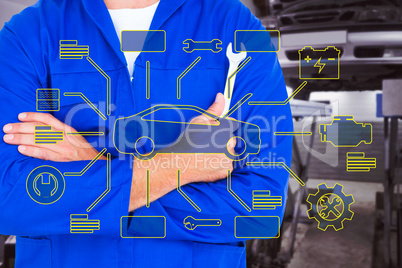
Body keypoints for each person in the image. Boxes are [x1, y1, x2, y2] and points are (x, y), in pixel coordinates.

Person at [0, 0, 293, 267]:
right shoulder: (29, 33)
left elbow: (261, 206)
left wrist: (88, 166)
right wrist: (178, 167)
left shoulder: (235, 28)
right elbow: (7, 197)